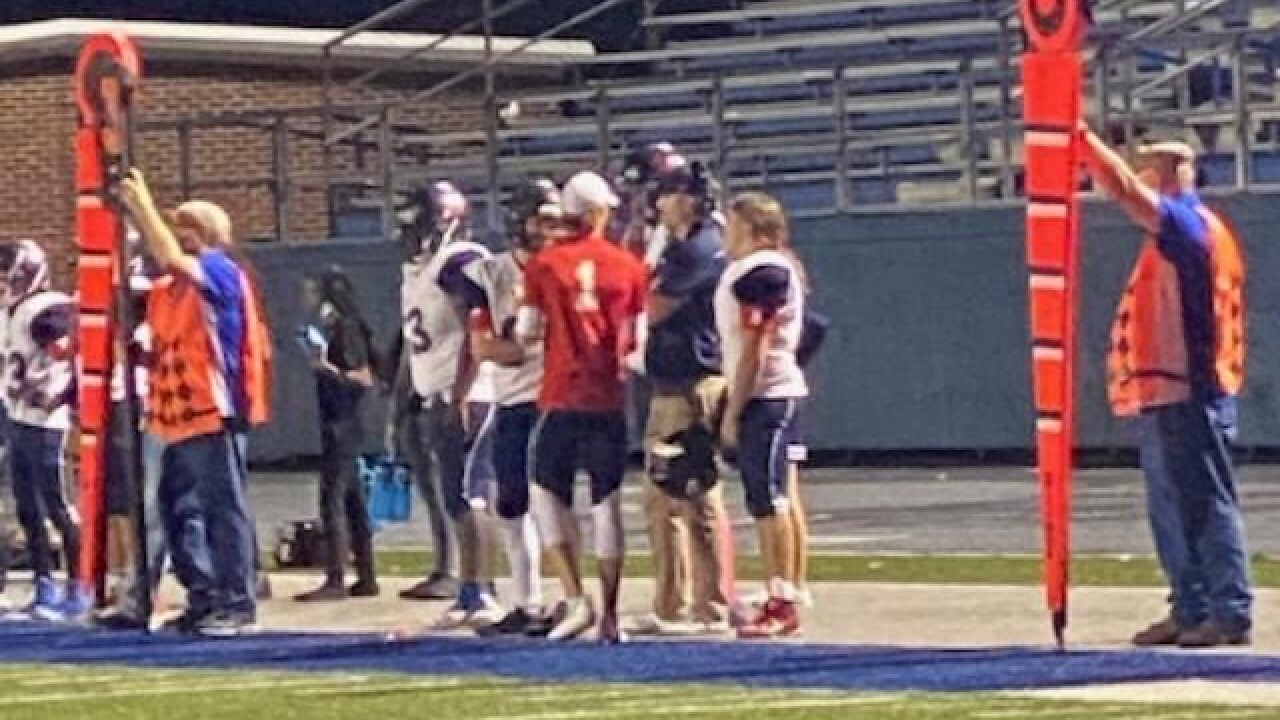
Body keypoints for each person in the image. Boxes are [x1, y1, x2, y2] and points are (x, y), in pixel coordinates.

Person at [1079, 129, 1251, 647]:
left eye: (1150, 166)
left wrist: (1082, 139)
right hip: (1169, 391)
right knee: (1173, 507)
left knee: (1201, 504)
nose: (1143, 175)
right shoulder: (1195, 229)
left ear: (1171, 171)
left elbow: (1125, 189)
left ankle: (1226, 609)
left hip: (1188, 390)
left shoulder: (1186, 225)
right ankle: (1193, 605)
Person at [120, 171, 272, 637]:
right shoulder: (169, 286)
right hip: (175, 417)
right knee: (175, 506)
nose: (169, 235)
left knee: (223, 506)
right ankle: (202, 595)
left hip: (213, 410)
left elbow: (169, 253)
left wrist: (139, 202)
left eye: (181, 226)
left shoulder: (222, 270)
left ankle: (237, 602)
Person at [518, 171, 648, 643]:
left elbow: (526, 331)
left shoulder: (545, 264)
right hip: (609, 396)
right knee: (606, 503)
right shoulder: (630, 266)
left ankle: (576, 598)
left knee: (545, 491)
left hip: (562, 392)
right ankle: (611, 613)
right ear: (596, 213)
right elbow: (637, 342)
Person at [397, 180, 502, 629]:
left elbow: (475, 332)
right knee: (455, 495)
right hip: (436, 392)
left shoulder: (461, 261)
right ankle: (468, 585)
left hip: (469, 395)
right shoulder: (417, 271)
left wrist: (462, 390)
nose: (411, 233)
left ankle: (485, 589)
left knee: (473, 493)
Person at [633, 158, 731, 636]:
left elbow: (650, 308)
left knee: (687, 493)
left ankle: (705, 603)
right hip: (677, 382)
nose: (660, 204)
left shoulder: (698, 249)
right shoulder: (691, 244)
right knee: (666, 498)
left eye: (669, 194)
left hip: (689, 385)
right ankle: (676, 601)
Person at [463, 178, 561, 636]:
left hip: (558, 397)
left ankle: (574, 598)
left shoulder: (566, 266)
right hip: (512, 398)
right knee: (511, 502)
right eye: (541, 219)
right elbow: (485, 347)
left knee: (554, 502)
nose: (550, 228)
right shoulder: (490, 273)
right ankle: (529, 600)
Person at [716, 192, 810, 639]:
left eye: (733, 225)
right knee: (781, 497)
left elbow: (757, 345)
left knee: (768, 499)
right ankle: (786, 589)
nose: (725, 234)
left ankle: (782, 597)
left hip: (766, 394)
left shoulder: (762, 270)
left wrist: (734, 407)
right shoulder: (772, 267)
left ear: (752, 228)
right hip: (776, 390)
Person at [0, 239, 84, 621]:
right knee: (27, 508)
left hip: (48, 422)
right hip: (18, 417)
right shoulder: (10, 312)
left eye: (7, 276)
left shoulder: (49, 308)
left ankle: (80, 585)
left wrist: (63, 395)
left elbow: (72, 352)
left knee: (58, 506)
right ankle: (43, 582)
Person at [293, 268, 379, 602]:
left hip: (344, 419)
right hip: (334, 415)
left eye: (313, 289)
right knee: (352, 498)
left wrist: (326, 368)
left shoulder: (344, 326)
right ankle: (366, 574)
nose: (308, 297)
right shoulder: (329, 326)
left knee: (332, 497)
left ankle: (336, 577)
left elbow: (363, 377)